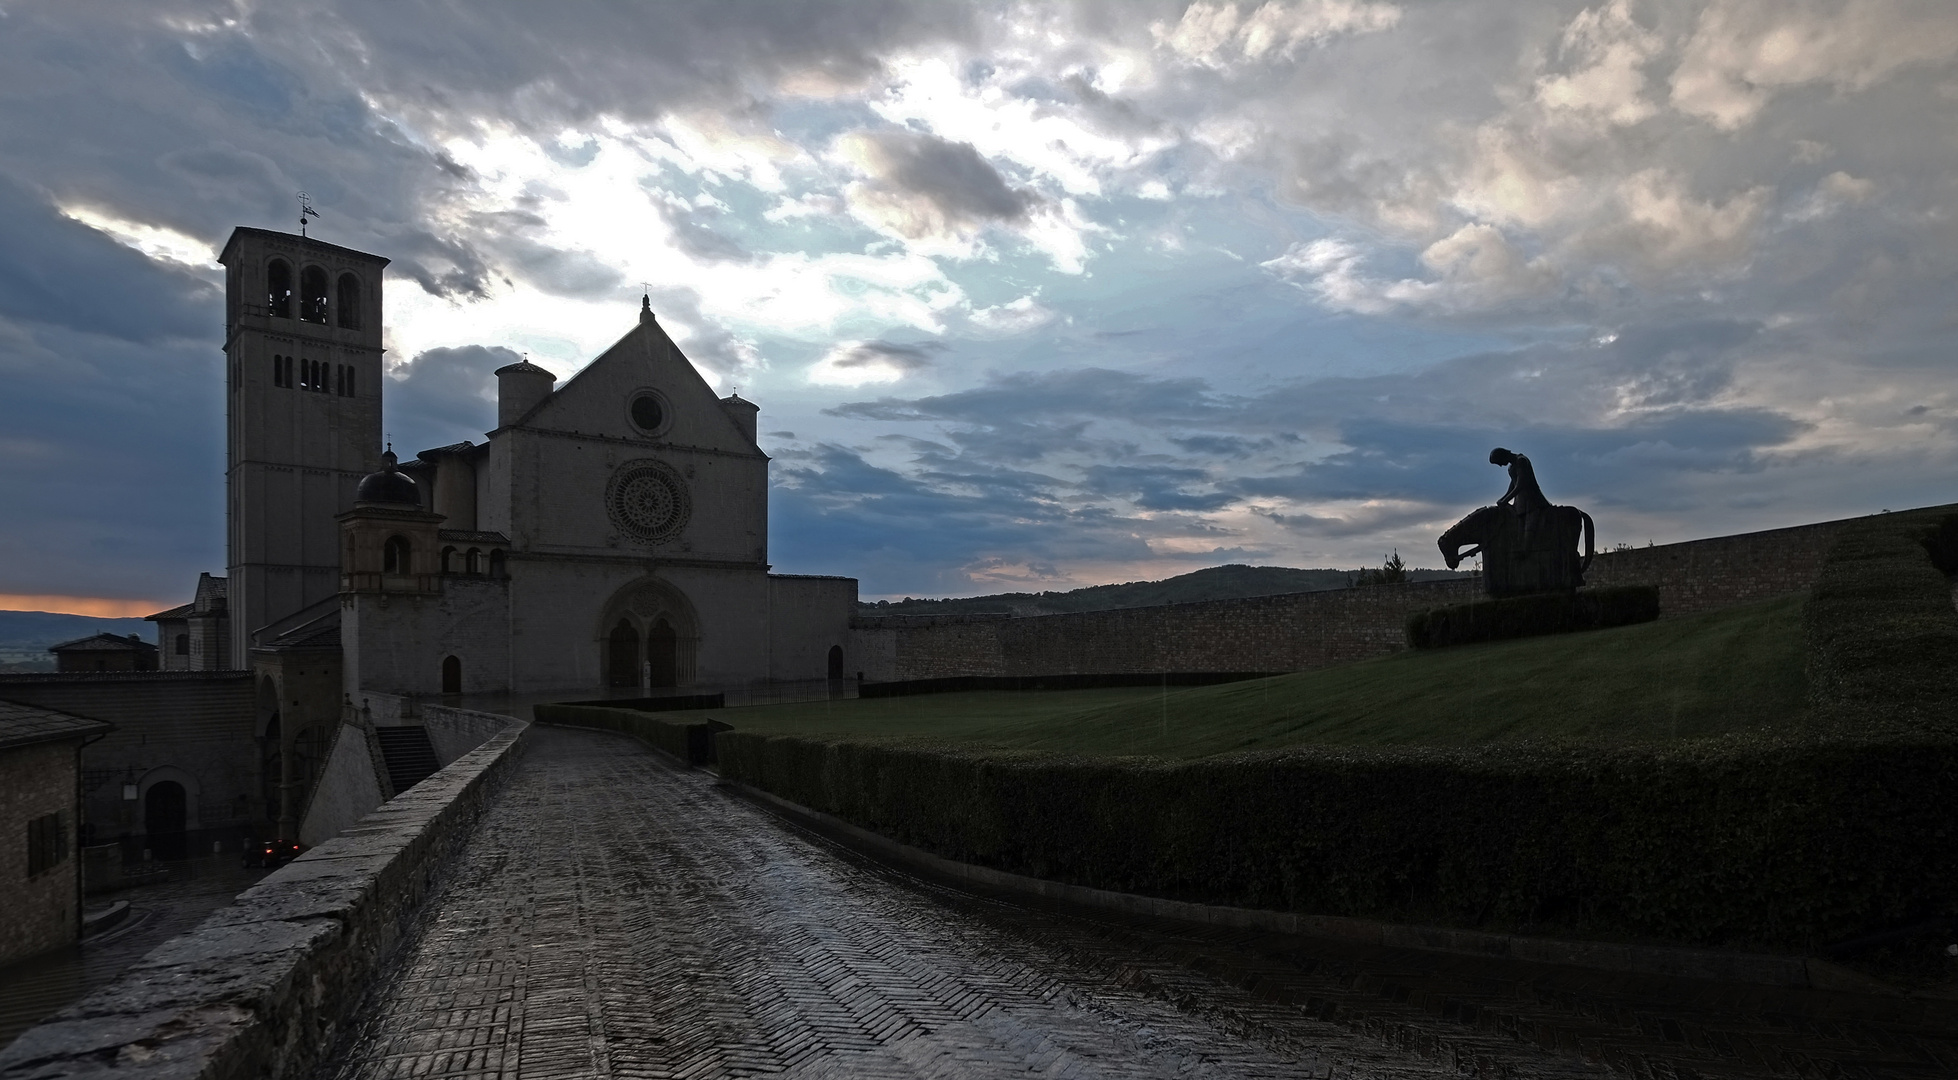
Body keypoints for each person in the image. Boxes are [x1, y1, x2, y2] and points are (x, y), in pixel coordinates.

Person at [1490, 447, 1550, 547]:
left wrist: (1505, 500)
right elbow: (1513, 483)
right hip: (1520, 503)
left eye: (1499, 462)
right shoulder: (1512, 466)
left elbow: (1520, 484)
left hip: (1532, 502)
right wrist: (1503, 498)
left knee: (1527, 535)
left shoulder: (1521, 461)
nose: (1500, 465)